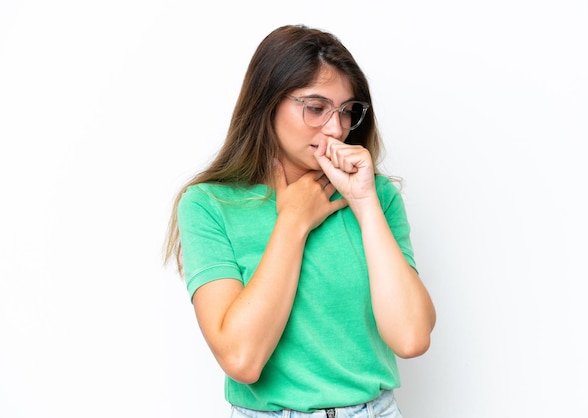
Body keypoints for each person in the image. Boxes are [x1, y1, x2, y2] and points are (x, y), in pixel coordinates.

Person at [164, 24, 436, 417]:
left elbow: (411, 337)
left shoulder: (376, 196)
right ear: (267, 103)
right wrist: (292, 221)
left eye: (347, 111)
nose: (336, 128)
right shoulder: (209, 204)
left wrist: (364, 202)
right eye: (315, 107)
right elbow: (242, 359)